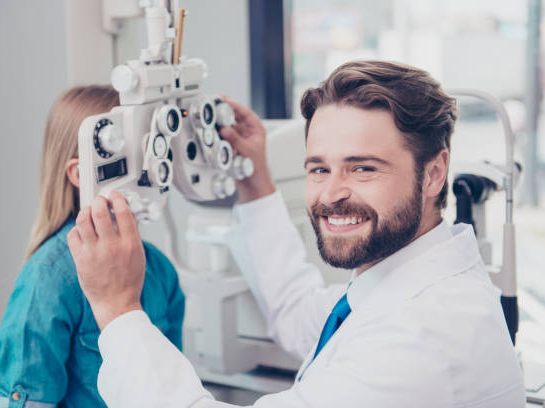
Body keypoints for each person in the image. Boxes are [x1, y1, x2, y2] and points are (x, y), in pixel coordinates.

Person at [67, 61, 525, 407]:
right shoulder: (397, 286)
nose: (331, 194)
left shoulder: (422, 336)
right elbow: (297, 312)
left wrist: (117, 308)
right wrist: (255, 182)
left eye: (363, 168)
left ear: (434, 173)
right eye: (319, 168)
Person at [0, 85, 185, 408]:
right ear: (80, 173)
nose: (148, 169)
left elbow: (175, 387)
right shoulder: (51, 276)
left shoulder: (160, 272)